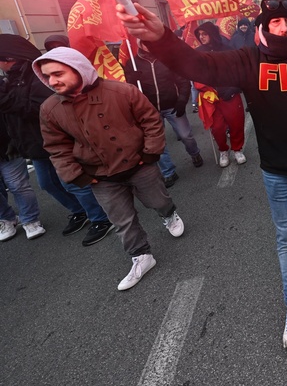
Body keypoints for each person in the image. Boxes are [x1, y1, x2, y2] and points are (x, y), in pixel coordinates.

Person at [117, 0, 287, 348]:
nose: (284, 27)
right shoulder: (249, 59)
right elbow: (201, 66)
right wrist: (161, 39)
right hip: (279, 171)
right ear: (263, 25)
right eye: (275, 21)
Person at [36, 47, 185, 290]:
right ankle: (141, 256)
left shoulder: (122, 91)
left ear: (78, 68)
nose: (52, 81)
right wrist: (77, 175)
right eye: (47, 76)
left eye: (58, 74)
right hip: (100, 176)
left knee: (159, 201)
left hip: (139, 165)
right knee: (122, 221)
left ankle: (168, 215)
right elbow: (57, 147)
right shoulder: (50, 109)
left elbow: (150, 120)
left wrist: (149, 153)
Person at [0, 35, 113, 245]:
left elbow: (42, 110)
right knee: (48, 184)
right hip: (33, 143)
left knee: (72, 182)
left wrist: (6, 100)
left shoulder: (36, 76)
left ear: (9, 58)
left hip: (52, 140)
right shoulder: (12, 79)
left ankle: (101, 218)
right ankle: (80, 210)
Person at [122, 40, 205, 188]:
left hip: (172, 105)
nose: (148, 44)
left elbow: (183, 80)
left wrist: (182, 101)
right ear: (139, 43)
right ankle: (168, 172)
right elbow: (128, 89)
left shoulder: (168, 59)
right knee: (157, 142)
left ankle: (194, 153)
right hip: (149, 109)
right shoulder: (132, 63)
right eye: (144, 42)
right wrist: (131, 80)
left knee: (186, 135)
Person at [194, 22, 246, 167]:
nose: (201, 37)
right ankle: (223, 150)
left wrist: (235, 88)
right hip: (211, 98)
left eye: (205, 34)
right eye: (199, 34)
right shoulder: (198, 53)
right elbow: (194, 74)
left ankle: (237, 149)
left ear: (212, 34)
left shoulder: (227, 49)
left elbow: (239, 71)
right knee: (217, 128)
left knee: (236, 124)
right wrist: (201, 88)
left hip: (230, 94)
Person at [0, 123, 44, 241]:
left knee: (18, 185)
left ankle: (30, 220)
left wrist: (15, 138)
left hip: (8, 146)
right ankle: (6, 219)